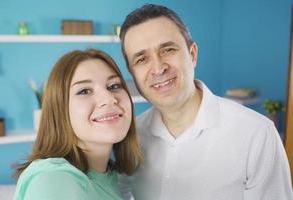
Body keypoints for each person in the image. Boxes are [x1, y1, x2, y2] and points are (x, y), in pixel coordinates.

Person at [118, 3, 293, 200]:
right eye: (141, 59)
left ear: (192, 55)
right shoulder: (130, 138)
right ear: (132, 72)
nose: (158, 69)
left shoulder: (257, 134)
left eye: (167, 50)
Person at [13, 49, 142, 200]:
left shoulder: (112, 178)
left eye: (114, 86)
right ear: (60, 110)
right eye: (84, 91)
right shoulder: (55, 179)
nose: (108, 98)